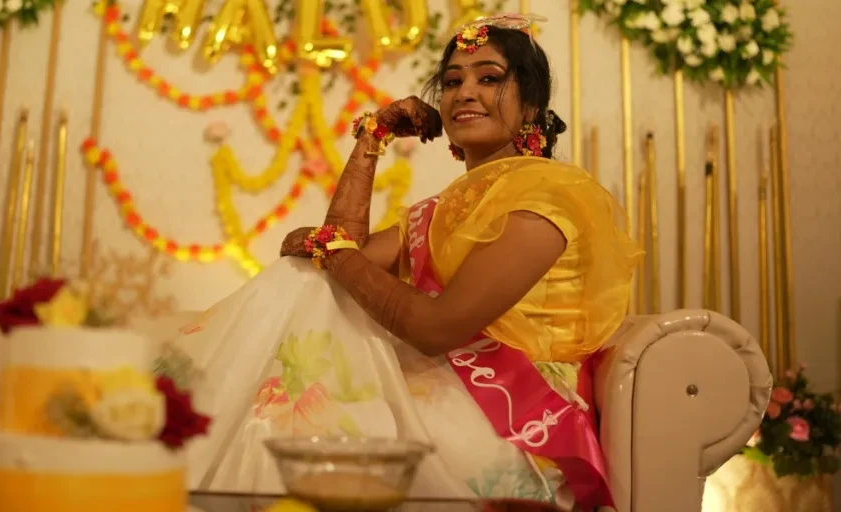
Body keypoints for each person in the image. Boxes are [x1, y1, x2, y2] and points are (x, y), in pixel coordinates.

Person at [176, 13, 642, 511]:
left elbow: (434, 326)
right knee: (301, 299)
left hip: (516, 416)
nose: (465, 92)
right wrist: (371, 139)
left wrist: (330, 250)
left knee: (298, 427)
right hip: (444, 383)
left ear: (530, 105)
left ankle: (176, 431)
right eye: (452, 81)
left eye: (489, 78)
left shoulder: (549, 197)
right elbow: (333, 266)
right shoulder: (441, 209)